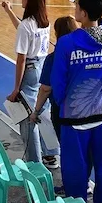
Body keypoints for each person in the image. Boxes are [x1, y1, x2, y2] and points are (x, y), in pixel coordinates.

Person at [51, 0, 102, 203]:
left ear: (83, 12)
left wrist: (63, 106)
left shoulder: (66, 43)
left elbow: (57, 82)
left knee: (75, 173)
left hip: (73, 119)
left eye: (77, 6)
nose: (74, 10)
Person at [2, 0, 58, 165]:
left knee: (28, 118)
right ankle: (51, 153)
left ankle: (34, 162)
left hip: (31, 70)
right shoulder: (44, 21)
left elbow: (21, 60)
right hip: (42, 67)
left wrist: (16, 89)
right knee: (43, 112)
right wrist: (9, 11)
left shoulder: (27, 26)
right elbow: (24, 30)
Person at [31, 16, 79, 149]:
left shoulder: (53, 58)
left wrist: (36, 111)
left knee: (67, 148)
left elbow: (46, 88)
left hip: (62, 110)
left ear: (57, 33)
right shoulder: (82, 54)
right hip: (83, 106)